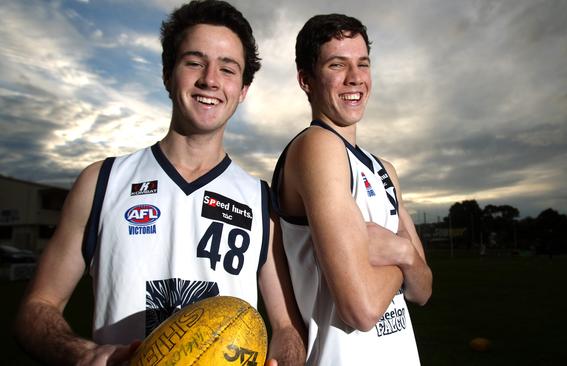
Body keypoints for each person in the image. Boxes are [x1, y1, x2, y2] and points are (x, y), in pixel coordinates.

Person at [14, 1, 306, 365]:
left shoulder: (261, 201)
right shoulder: (102, 182)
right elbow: (37, 307)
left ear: (243, 89)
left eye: (228, 69)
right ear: (168, 74)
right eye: (194, 62)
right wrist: (83, 355)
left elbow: (287, 329)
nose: (210, 80)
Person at [271, 13, 433, 365]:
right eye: (337, 65)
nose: (355, 78)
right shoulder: (317, 146)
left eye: (363, 64)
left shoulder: (384, 169)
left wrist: (401, 253)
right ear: (306, 80)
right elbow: (360, 309)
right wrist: (406, 258)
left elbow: (423, 289)